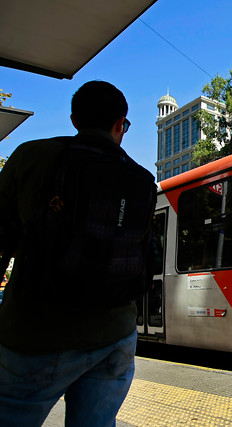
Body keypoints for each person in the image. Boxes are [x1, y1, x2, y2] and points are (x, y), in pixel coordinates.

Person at [0, 81, 155, 426]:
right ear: (120, 124)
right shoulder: (142, 178)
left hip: (36, 330)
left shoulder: (31, 157)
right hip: (116, 334)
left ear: (74, 120)